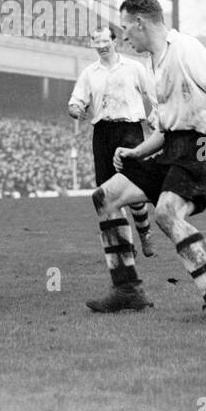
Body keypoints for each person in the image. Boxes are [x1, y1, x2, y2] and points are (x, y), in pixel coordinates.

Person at [85, 0, 206, 319]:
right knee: (106, 197)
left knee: (167, 213)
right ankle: (127, 290)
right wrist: (136, 151)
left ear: (140, 23)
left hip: (201, 146)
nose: (123, 36)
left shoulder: (186, 48)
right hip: (173, 147)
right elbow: (166, 129)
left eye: (126, 27)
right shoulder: (152, 64)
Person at [68, 24, 157, 254]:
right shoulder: (89, 73)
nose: (102, 47)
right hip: (103, 133)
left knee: (132, 184)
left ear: (115, 41)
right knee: (107, 190)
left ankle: (144, 232)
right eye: (97, 43)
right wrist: (76, 109)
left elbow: (154, 94)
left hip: (130, 129)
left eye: (105, 42)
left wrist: (155, 114)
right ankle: (124, 243)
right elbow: (75, 101)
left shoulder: (134, 68)